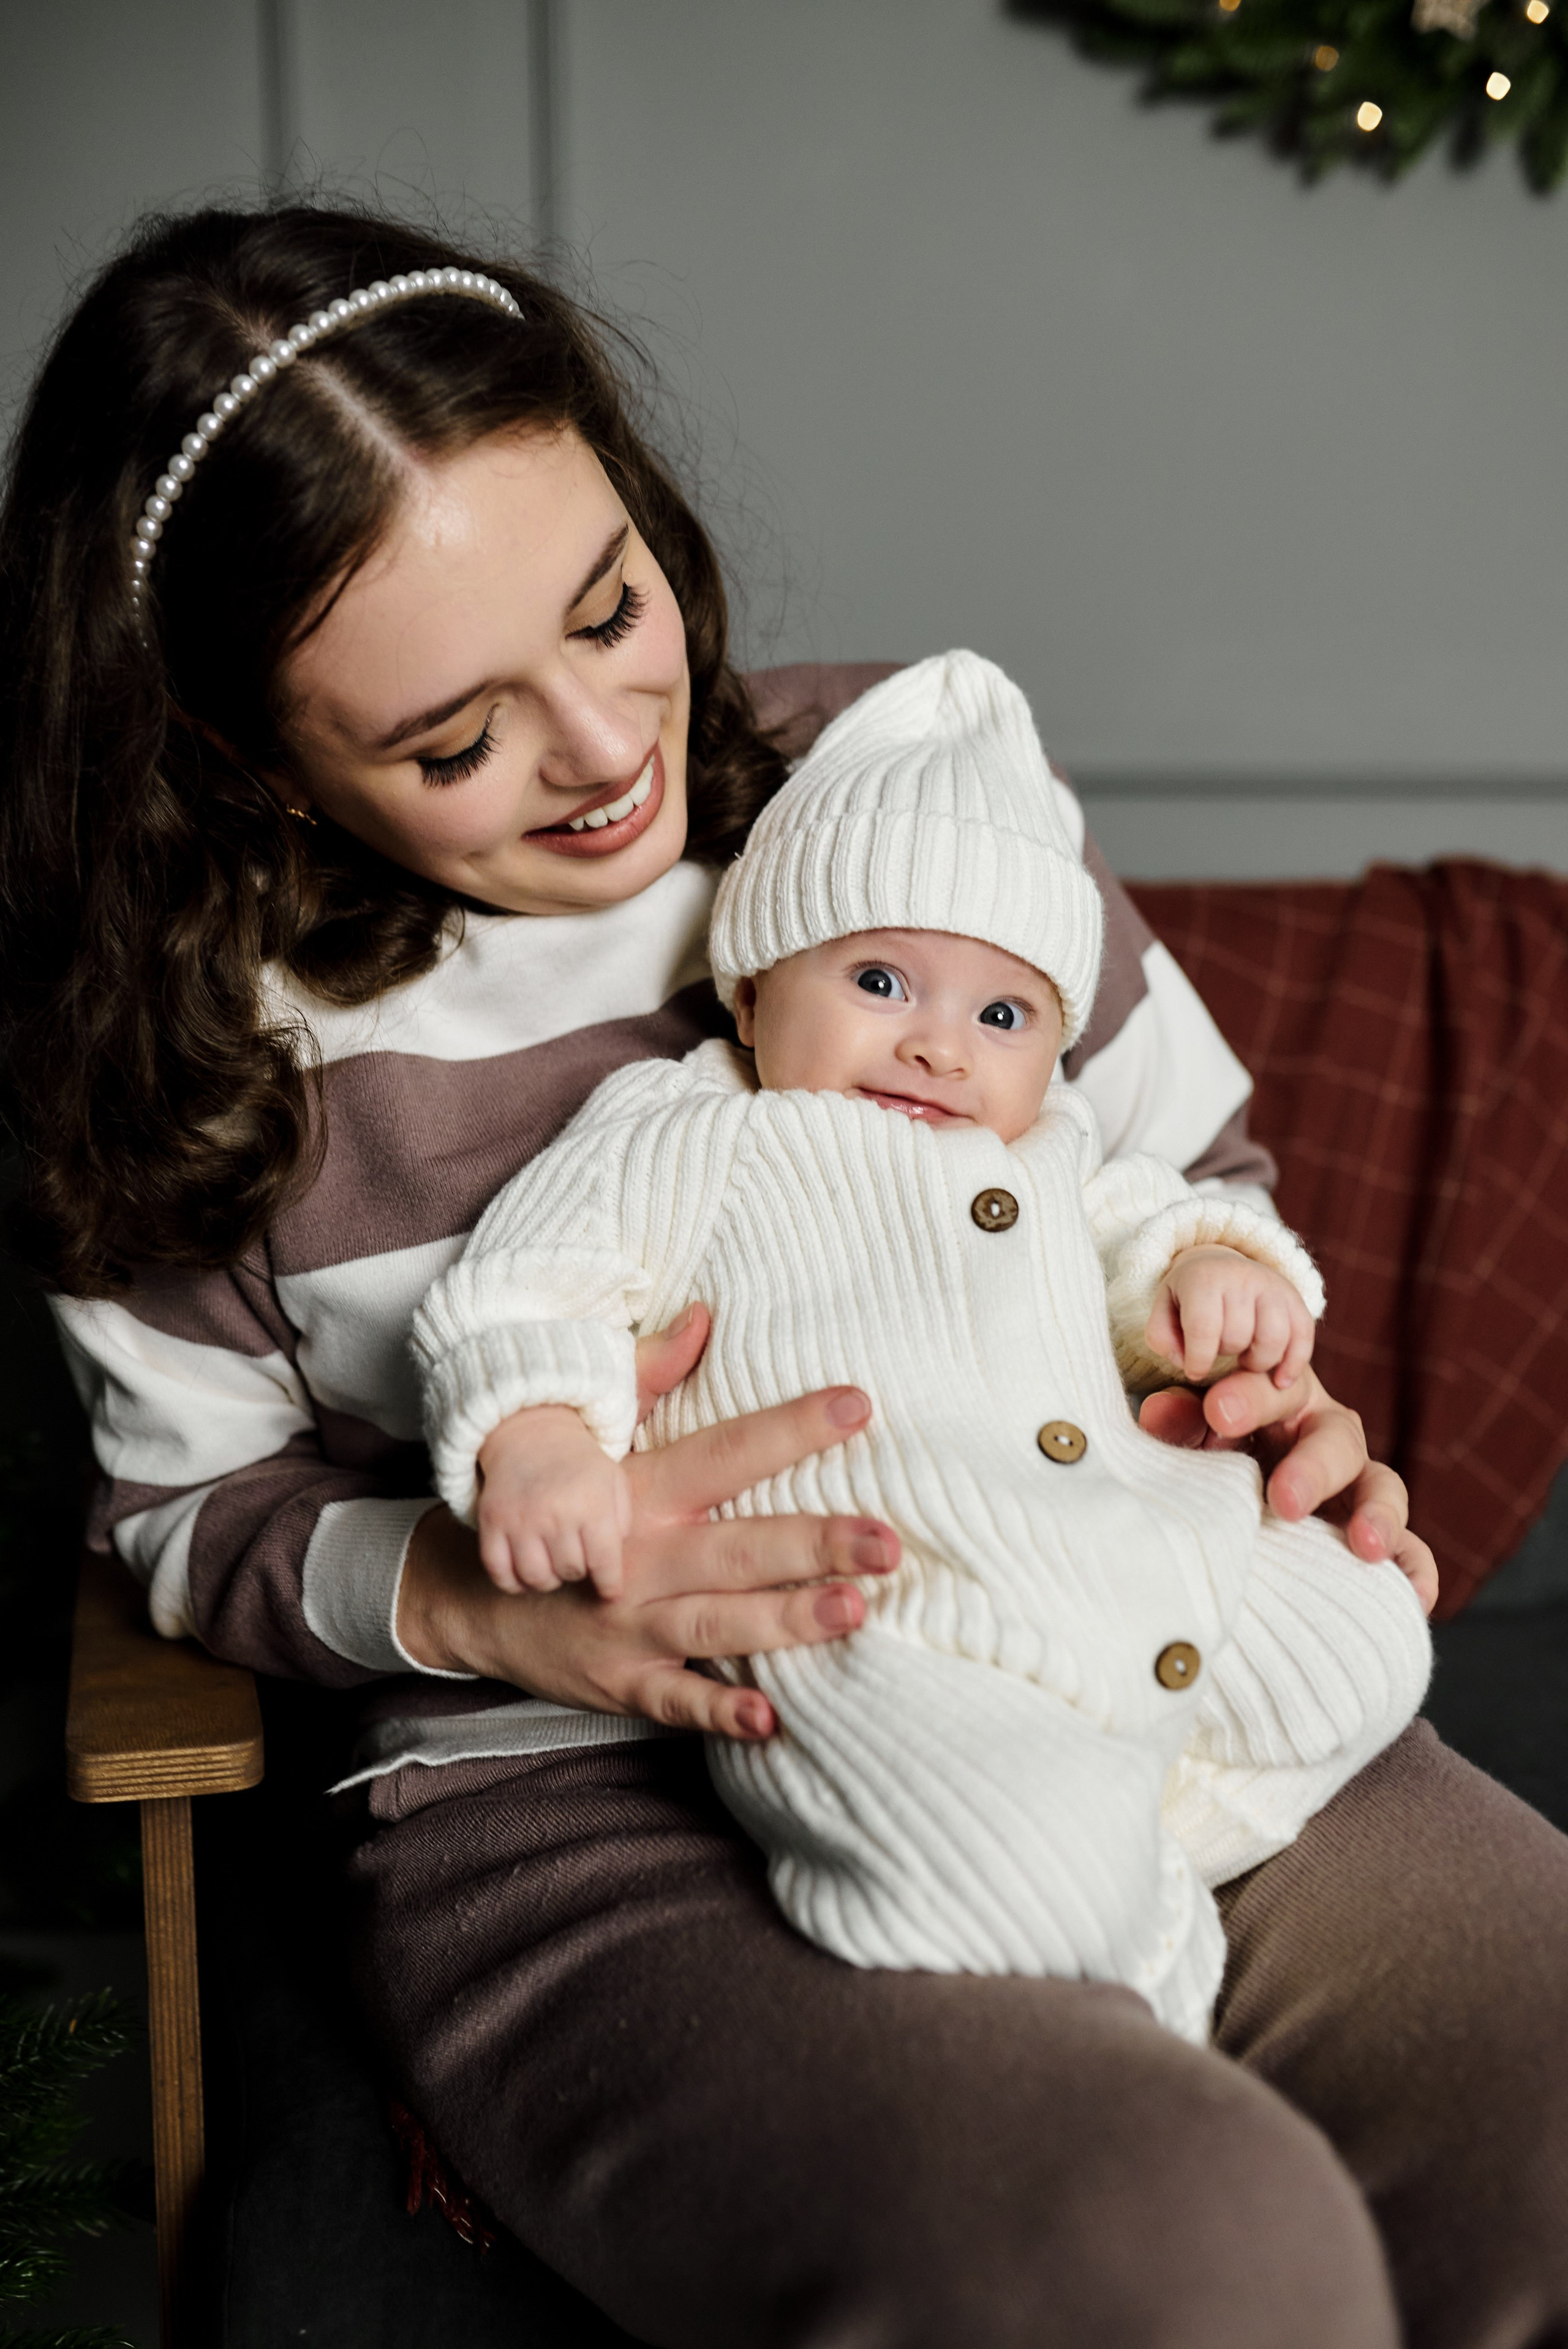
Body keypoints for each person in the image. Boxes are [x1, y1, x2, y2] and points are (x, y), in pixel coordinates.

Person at [0, 200, 1561, 2348]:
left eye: (611, 601)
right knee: (1175, 2249)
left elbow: (1187, 1177)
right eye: (452, 738)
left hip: (1108, 1609)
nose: (603, 747)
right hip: (581, 1795)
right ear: (253, 757)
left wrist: (1251, 1394)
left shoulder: (915, 781)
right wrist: (474, 1590)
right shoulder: (191, 1051)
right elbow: (185, 1522)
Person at [410, 648, 1432, 2048]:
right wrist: (533, 1437)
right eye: (881, 978)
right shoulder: (692, 1132)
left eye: (999, 1016)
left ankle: (1144, 1819)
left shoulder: (1055, 1146)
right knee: (987, 1876)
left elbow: (1155, 1230)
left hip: (1140, 1534)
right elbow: (528, 1291)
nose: (938, 1048)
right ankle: (1109, 1918)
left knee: (1364, 1638)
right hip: (887, 1610)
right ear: (754, 992)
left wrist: (1214, 1276)